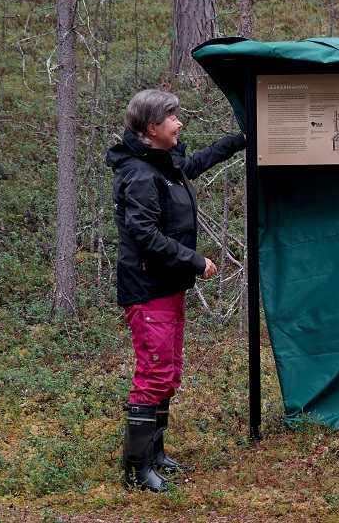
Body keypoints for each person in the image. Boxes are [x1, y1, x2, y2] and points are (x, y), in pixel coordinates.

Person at [107, 89, 245, 491]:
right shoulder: (139, 174)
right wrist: (194, 260)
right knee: (153, 373)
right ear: (152, 127)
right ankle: (137, 471)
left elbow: (195, 163)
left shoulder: (162, 162)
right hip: (148, 286)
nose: (180, 123)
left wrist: (240, 140)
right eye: (172, 117)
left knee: (167, 373)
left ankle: (155, 455)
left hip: (167, 285)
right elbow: (144, 234)